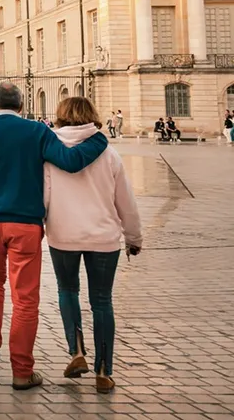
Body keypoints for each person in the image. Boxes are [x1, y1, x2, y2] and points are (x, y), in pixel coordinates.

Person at [0, 81, 109, 391]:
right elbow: (71, 162)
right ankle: (22, 372)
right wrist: (98, 140)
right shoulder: (36, 131)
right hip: (25, 225)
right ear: (21, 107)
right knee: (25, 299)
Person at [44, 97, 142, 394]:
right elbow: (125, 201)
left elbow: (43, 196)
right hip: (103, 237)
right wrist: (134, 237)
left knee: (67, 290)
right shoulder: (108, 153)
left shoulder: (49, 152)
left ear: (60, 117)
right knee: (101, 301)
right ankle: (104, 370)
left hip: (63, 234)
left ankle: (76, 352)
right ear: (92, 117)